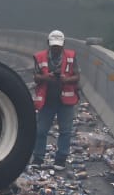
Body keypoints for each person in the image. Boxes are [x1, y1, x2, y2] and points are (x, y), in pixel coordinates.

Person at [31, 30, 79, 168]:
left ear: (63, 44)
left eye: (58, 46)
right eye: (53, 46)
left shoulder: (71, 56)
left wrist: (66, 79)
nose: (56, 48)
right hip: (47, 100)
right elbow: (36, 76)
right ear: (48, 44)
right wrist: (46, 77)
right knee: (41, 130)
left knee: (65, 131)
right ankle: (38, 159)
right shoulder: (39, 57)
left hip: (66, 101)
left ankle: (60, 160)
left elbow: (77, 76)